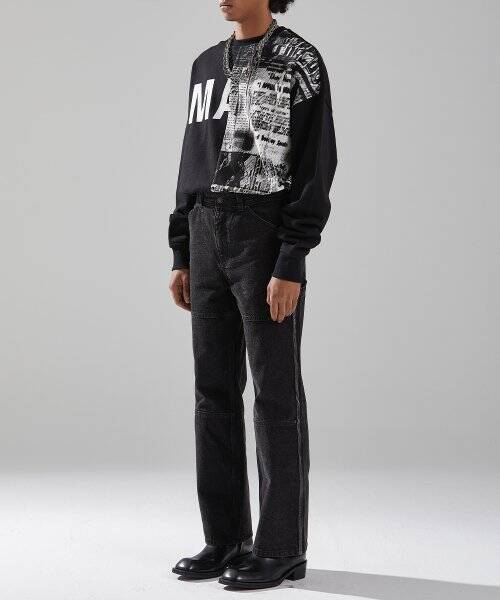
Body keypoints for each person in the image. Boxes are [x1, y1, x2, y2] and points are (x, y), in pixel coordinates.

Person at [168, 0, 337, 590]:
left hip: (263, 235)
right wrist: (182, 250)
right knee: (213, 392)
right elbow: (192, 156)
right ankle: (225, 538)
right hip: (204, 232)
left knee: (275, 394)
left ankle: (281, 546)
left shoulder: (299, 60)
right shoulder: (204, 65)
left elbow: (316, 164)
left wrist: (291, 259)